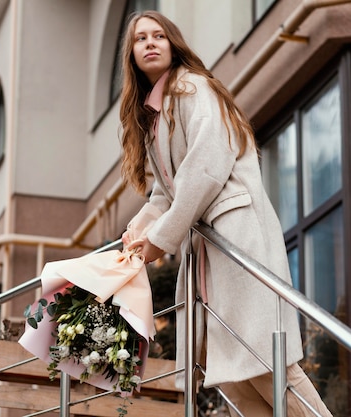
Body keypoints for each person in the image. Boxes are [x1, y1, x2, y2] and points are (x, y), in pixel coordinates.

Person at [118, 10, 333, 417]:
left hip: (236, 239)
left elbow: (205, 169)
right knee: (233, 377)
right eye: (140, 38)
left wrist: (160, 241)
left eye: (159, 36)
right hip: (209, 256)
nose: (149, 43)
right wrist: (137, 231)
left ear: (173, 44)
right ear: (130, 55)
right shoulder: (153, 118)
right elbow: (165, 193)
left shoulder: (192, 89)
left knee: (266, 365)